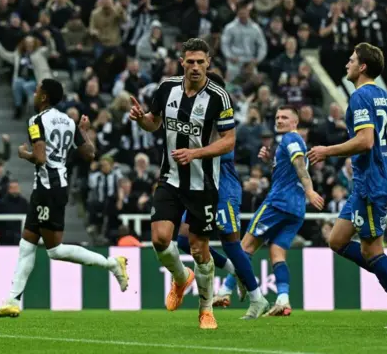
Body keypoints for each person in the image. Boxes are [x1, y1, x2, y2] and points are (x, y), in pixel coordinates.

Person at [0, 79, 128, 318]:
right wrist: (82, 132)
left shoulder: (36, 120)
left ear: (43, 97)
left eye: (38, 90)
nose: (35, 93)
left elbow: (39, 158)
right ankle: (12, 300)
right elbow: (90, 154)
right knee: (26, 245)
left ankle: (112, 264)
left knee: (55, 250)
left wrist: (23, 154)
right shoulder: (68, 122)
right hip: (53, 186)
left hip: (48, 189)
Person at [307, 42, 387, 328]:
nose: (347, 63)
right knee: (336, 240)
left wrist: (326, 150)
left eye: (351, 60)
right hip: (369, 182)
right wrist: (383, 147)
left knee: (372, 250)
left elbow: (365, 141)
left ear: (362, 67)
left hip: (371, 182)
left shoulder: (360, 97)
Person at [128, 38, 235, 330]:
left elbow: (229, 141)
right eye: (191, 61)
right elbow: (154, 122)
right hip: (171, 178)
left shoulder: (219, 97)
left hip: (203, 184)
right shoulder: (167, 88)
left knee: (200, 249)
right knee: (161, 239)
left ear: (208, 63)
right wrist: (141, 120)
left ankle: (205, 310)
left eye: (201, 62)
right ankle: (180, 278)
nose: (196, 67)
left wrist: (196, 153)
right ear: (182, 62)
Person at [176, 71, 270, 320]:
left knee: (230, 243)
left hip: (223, 189)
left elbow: (226, 151)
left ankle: (257, 297)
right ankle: (235, 271)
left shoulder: (221, 115)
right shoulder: (196, 113)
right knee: (184, 240)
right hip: (201, 188)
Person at [218, 105, 324, 316]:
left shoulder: (290, 139)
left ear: (295, 122)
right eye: (277, 117)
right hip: (296, 209)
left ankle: (225, 291)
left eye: (285, 117)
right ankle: (283, 299)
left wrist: (310, 190)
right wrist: (270, 160)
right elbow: (290, 169)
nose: (279, 120)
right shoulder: (288, 143)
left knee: (244, 246)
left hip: (278, 203)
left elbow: (300, 166)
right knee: (277, 252)